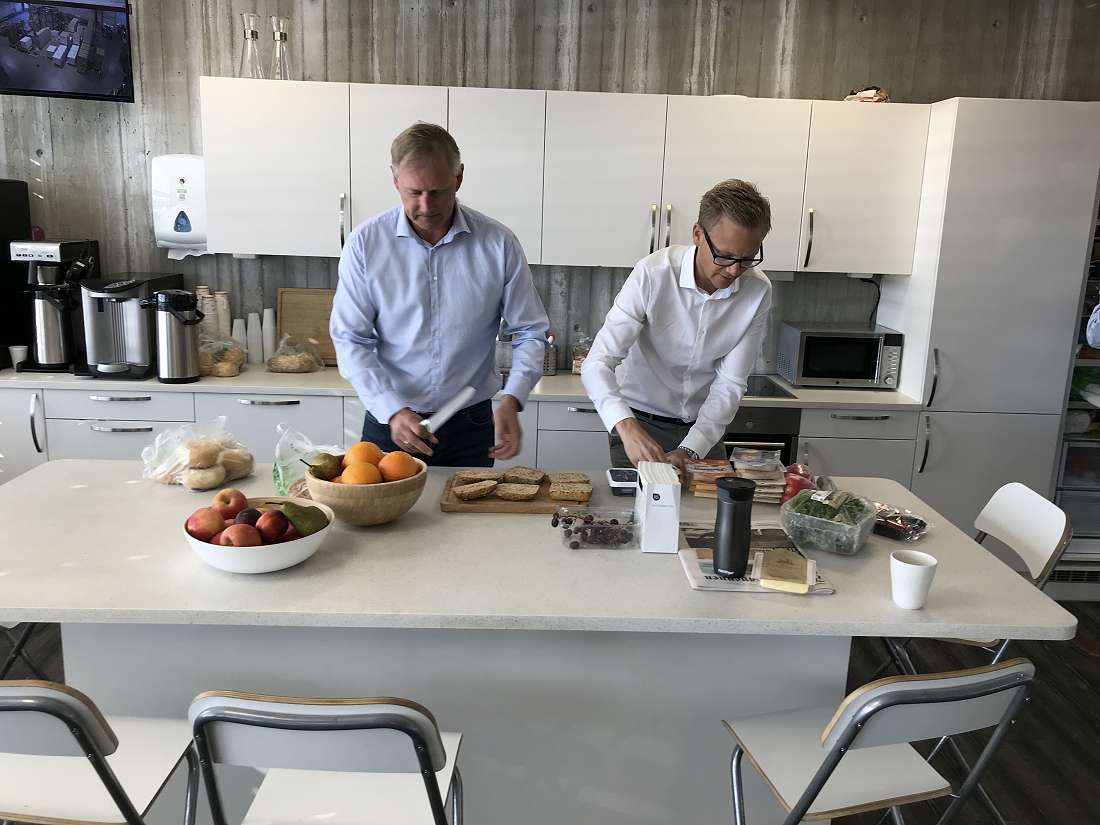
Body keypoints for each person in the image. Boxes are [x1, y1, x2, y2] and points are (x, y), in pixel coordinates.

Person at [330, 123, 549, 467]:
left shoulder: (498, 244)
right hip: (391, 423)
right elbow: (350, 338)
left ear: (459, 178)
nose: (426, 205)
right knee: (381, 518)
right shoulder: (365, 245)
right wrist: (392, 409)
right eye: (413, 192)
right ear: (395, 181)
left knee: (468, 521)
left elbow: (530, 332)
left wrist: (512, 398)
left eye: (438, 191)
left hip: (470, 424)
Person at [581, 179, 772, 474]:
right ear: (698, 234)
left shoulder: (757, 291)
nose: (735, 270)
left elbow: (730, 384)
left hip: (704, 433)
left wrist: (690, 448)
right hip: (638, 425)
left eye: (747, 258)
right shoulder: (653, 274)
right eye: (725, 255)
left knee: (706, 518)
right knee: (640, 517)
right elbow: (597, 363)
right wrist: (626, 428)